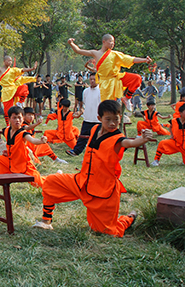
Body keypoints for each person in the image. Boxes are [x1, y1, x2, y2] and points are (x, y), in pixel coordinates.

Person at [33, 100, 150, 237]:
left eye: (116, 119)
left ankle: (127, 219)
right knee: (51, 183)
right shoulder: (94, 129)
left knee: (108, 231)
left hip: (102, 190)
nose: (112, 123)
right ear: (99, 118)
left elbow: (128, 142)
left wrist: (141, 140)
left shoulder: (118, 138)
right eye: (108, 119)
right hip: (82, 181)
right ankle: (46, 221)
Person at [68, 35, 151, 110]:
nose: (112, 44)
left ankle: (127, 98)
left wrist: (144, 60)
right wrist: (71, 43)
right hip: (105, 83)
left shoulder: (114, 54)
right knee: (109, 106)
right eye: (110, 41)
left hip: (117, 78)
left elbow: (130, 59)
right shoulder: (96, 53)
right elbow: (78, 51)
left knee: (137, 78)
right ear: (104, 42)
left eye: (113, 42)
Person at [0, 106, 50, 189]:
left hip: (24, 167)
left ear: (23, 119)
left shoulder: (23, 133)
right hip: (11, 162)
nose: (17, 120)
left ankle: (55, 177)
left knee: (41, 184)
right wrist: (8, 151)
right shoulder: (6, 131)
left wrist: (41, 141)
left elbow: (32, 140)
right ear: (9, 119)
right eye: (14, 118)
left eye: (19, 117)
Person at [0, 56, 37, 124]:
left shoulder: (13, 70)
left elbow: (22, 70)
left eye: (11, 61)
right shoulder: (0, 69)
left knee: (24, 87)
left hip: (13, 88)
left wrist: (32, 69)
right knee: (7, 111)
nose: (10, 62)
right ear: (4, 61)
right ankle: (8, 125)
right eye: (8, 60)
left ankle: (20, 103)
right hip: (6, 91)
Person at [67, 74, 101, 157]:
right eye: (91, 79)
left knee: (97, 138)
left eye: (94, 79)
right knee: (82, 136)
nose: (92, 81)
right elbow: (83, 103)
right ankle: (76, 151)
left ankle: (95, 153)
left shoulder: (102, 90)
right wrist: (81, 111)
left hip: (98, 119)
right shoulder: (86, 91)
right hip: (87, 118)